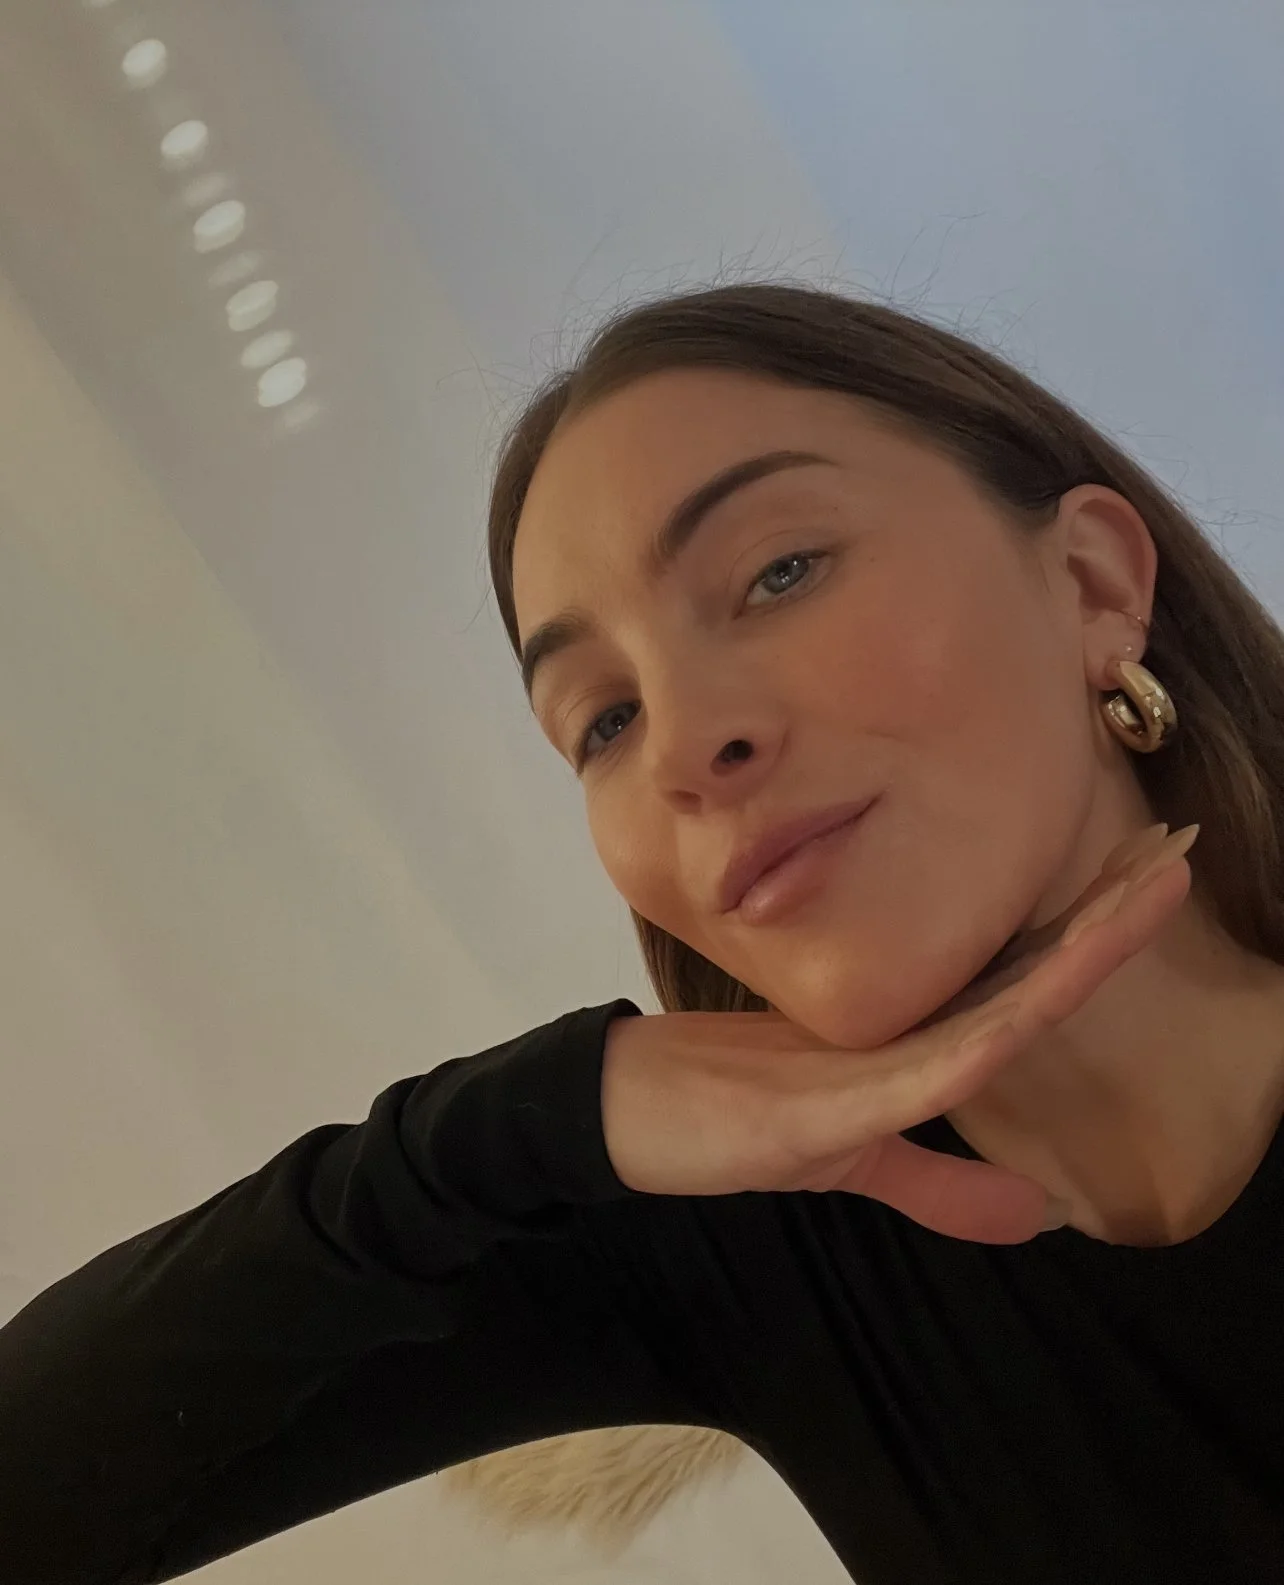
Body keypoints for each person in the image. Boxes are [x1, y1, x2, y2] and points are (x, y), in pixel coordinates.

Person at [3, 283, 1284, 1585]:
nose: (684, 745)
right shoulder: (746, 1248)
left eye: (779, 572)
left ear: (1090, 582)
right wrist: (537, 1123)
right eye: (603, 719)